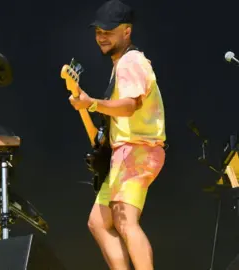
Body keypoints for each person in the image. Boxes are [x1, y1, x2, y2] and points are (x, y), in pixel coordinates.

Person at [68, 0, 166, 269]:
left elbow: (130, 105)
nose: (102, 37)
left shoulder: (130, 62)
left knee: (124, 220)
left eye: (108, 31)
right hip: (125, 153)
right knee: (99, 222)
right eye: (98, 31)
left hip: (138, 150)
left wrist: (92, 103)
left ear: (127, 31)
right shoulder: (121, 64)